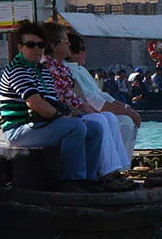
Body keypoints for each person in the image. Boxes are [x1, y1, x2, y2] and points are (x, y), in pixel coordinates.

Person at [0, 21, 104, 188]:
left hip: (41, 126)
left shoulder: (43, 71)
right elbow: (36, 103)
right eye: (31, 45)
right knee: (75, 128)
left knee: (95, 128)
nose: (37, 49)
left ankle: (90, 179)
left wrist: (63, 116)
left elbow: (52, 102)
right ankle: (72, 181)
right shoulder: (16, 70)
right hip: (19, 131)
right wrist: (62, 118)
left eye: (41, 45)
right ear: (20, 48)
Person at [42, 23, 131, 182]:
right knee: (100, 119)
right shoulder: (50, 67)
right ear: (54, 47)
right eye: (65, 41)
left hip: (73, 111)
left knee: (107, 118)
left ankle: (117, 168)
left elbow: (80, 98)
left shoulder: (62, 68)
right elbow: (73, 100)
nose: (68, 44)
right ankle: (106, 173)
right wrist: (92, 111)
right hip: (63, 115)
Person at [63, 30, 140, 157]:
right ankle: (117, 166)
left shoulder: (81, 69)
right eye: (82, 49)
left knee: (127, 119)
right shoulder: (67, 70)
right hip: (82, 113)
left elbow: (101, 95)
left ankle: (122, 164)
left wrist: (126, 107)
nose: (85, 53)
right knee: (124, 121)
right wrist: (126, 112)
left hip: (94, 109)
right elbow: (92, 100)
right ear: (71, 52)